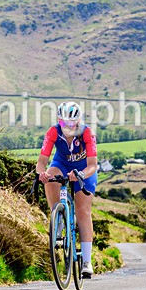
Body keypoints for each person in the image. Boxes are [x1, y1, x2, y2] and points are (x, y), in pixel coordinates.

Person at [37, 101, 99, 277]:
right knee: (50, 176)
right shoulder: (53, 132)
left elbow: (93, 165)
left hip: (83, 169)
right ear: (59, 121)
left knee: (83, 211)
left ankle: (86, 261)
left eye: (73, 123)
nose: (69, 126)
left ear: (79, 121)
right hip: (61, 164)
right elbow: (42, 161)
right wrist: (41, 173)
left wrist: (80, 174)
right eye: (64, 123)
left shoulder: (88, 133)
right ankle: (58, 218)